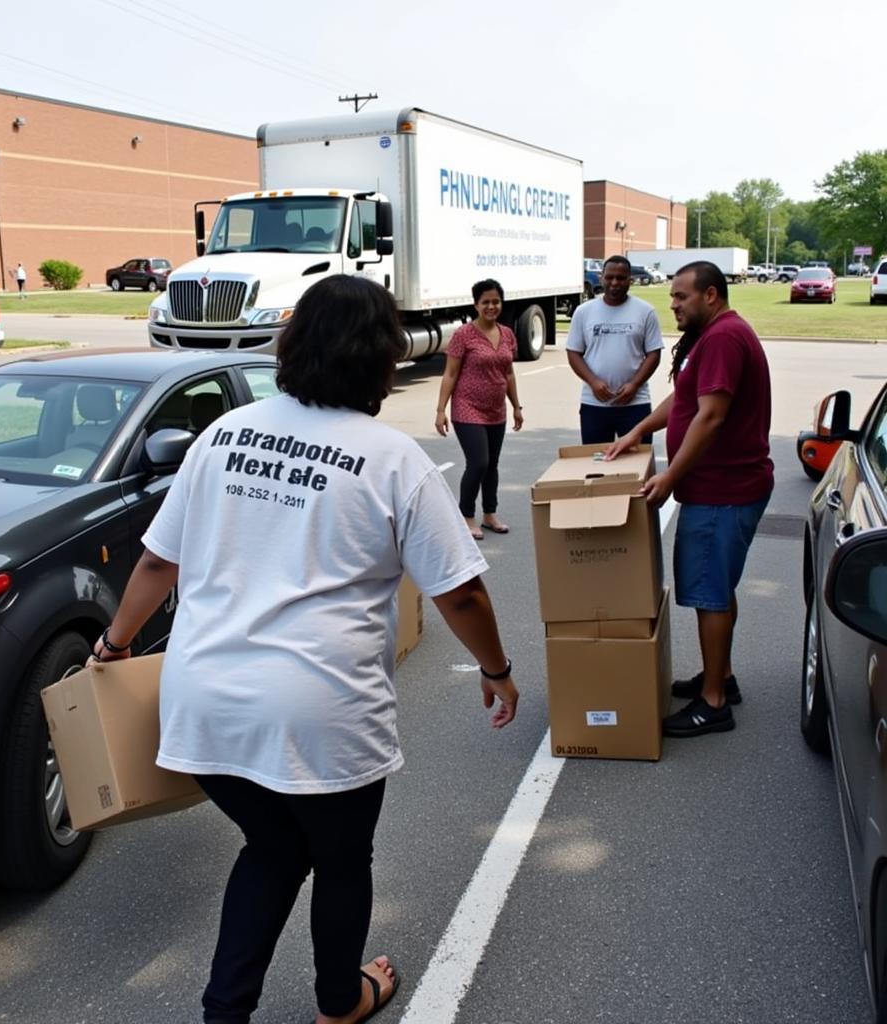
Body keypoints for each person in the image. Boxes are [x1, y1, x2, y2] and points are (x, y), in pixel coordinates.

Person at [91, 274, 519, 1024]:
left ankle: (225, 1012)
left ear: (291, 346)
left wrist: (115, 644)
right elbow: (460, 593)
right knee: (342, 859)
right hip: (320, 711)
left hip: (205, 702)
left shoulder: (224, 434)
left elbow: (161, 562)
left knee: (273, 847)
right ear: (384, 359)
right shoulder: (393, 460)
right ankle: (339, 1000)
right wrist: (498, 671)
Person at [606, 260, 773, 739]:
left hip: (722, 493)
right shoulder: (715, 334)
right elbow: (683, 402)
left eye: (681, 297)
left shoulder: (722, 338)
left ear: (712, 295)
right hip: (722, 489)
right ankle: (722, 676)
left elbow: (712, 416)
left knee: (710, 595)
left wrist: (670, 478)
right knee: (717, 590)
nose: (673, 305)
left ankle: (714, 702)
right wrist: (638, 430)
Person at [435, 279, 523, 540]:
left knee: (492, 465)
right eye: (485, 302)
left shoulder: (507, 333)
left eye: (496, 301)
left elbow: (508, 373)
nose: (491, 306)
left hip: (496, 409)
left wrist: (516, 406)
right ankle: (466, 515)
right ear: (476, 304)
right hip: (467, 407)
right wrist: (441, 410)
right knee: (478, 462)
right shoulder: (464, 334)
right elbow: (450, 374)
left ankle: (490, 514)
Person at [566, 255, 663, 444]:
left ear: (630, 279)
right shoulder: (584, 311)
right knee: (596, 464)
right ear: (601, 277)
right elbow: (573, 352)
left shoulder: (645, 311)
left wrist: (634, 384)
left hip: (635, 403)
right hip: (594, 403)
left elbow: (654, 354)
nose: (614, 282)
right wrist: (593, 381)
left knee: (637, 465)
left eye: (621, 278)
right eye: (609, 277)